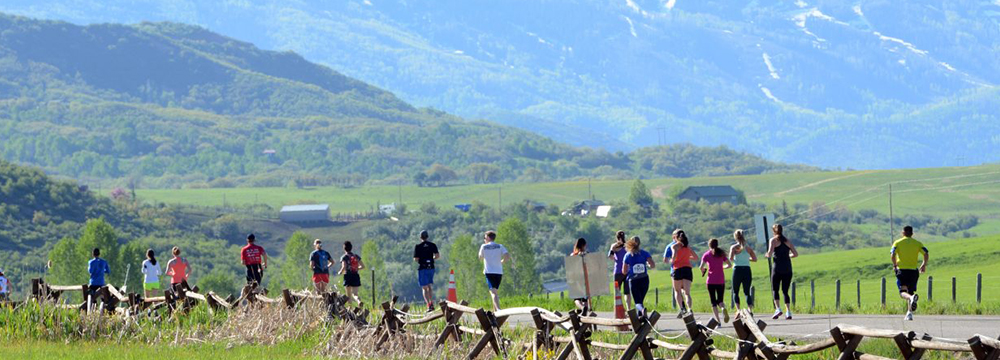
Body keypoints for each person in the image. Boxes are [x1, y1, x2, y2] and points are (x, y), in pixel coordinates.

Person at [891, 226, 928, 321]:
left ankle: (911, 299)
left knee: (903, 292)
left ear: (902, 233)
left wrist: (895, 265)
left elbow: (893, 254)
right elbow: (926, 253)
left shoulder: (898, 242)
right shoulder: (917, 243)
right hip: (913, 271)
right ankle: (909, 314)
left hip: (902, 270)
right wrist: (923, 265)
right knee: (911, 291)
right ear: (912, 233)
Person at [765, 224, 797, 320]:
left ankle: (778, 309)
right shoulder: (787, 241)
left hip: (777, 268)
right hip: (787, 268)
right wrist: (787, 256)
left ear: (774, 231)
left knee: (775, 289)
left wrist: (766, 255)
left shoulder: (773, 240)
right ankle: (788, 311)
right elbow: (795, 254)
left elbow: (770, 254)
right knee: (785, 291)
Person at [479, 230, 514, 312]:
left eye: (484, 237)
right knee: (495, 291)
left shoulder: (484, 246)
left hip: (489, 272)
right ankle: (495, 311)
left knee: (493, 292)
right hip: (498, 271)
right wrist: (502, 261)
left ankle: (498, 309)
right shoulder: (500, 246)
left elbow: (480, 257)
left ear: (487, 238)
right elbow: (507, 256)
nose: (484, 239)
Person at [622, 237, 656, 317]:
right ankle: (640, 317)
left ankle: (642, 310)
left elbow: (624, 271)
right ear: (639, 243)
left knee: (637, 302)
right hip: (644, 279)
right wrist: (647, 264)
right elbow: (652, 265)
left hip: (633, 281)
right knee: (640, 300)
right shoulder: (645, 253)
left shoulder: (627, 255)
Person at [701, 238, 732, 324]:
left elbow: (701, 267)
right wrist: (722, 267)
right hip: (720, 280)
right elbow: (729, 265)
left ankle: (718, 321)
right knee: (720, 300)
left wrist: (703, 270)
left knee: (713, 302)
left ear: (709, 245)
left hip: (710, 280)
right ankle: (722, 308)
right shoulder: (721, 254)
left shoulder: (706, 255)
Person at [729, 229, 757, 318]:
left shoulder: (734, 247)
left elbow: (731, 258)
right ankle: (750, 310)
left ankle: (738, 310)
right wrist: (747, 259)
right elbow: (755, 259)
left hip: (737, 269)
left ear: (735, 237)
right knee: (747, 292)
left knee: (735, 291)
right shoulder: (748, 248)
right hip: (747, 270)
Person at [670, 231, 698, 318]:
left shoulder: (674, 246)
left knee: (677, 291)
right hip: (687, 269)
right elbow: (696, 258)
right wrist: (687, 257)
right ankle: (689, 309)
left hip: (677, 269)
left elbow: (674, 257)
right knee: (687, 293)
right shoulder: (687, 246)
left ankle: (682, 309)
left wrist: (671, 260)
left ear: (676, 237)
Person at [413, 230, 440, 312]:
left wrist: (421, 260)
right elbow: (437, 256)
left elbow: (416, 259)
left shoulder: (418, 246)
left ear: (420, 237)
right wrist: (432, 259)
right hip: (431, 267)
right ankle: (432, 303)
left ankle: (429, 305)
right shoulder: (432, 245)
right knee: (429, 286)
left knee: (424, 288)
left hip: (423, 268)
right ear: (427, 236)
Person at [608, 231, 631, 311]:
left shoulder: (614, 246)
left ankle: (619, 308)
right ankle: (628, 309)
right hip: (627, 270)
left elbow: (610, 256)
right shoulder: (627, 245)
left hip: (618, 270)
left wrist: (615, 258)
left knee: (617, 291)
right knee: (627, 292)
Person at [570, 238, 591, 311]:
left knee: (576, 298)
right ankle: (586, 312)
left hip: (576, 278)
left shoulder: (573, 255)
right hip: (585, 278)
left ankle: (582, 308)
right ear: (584, 245)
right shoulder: (586, 254)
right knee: (585, 298)